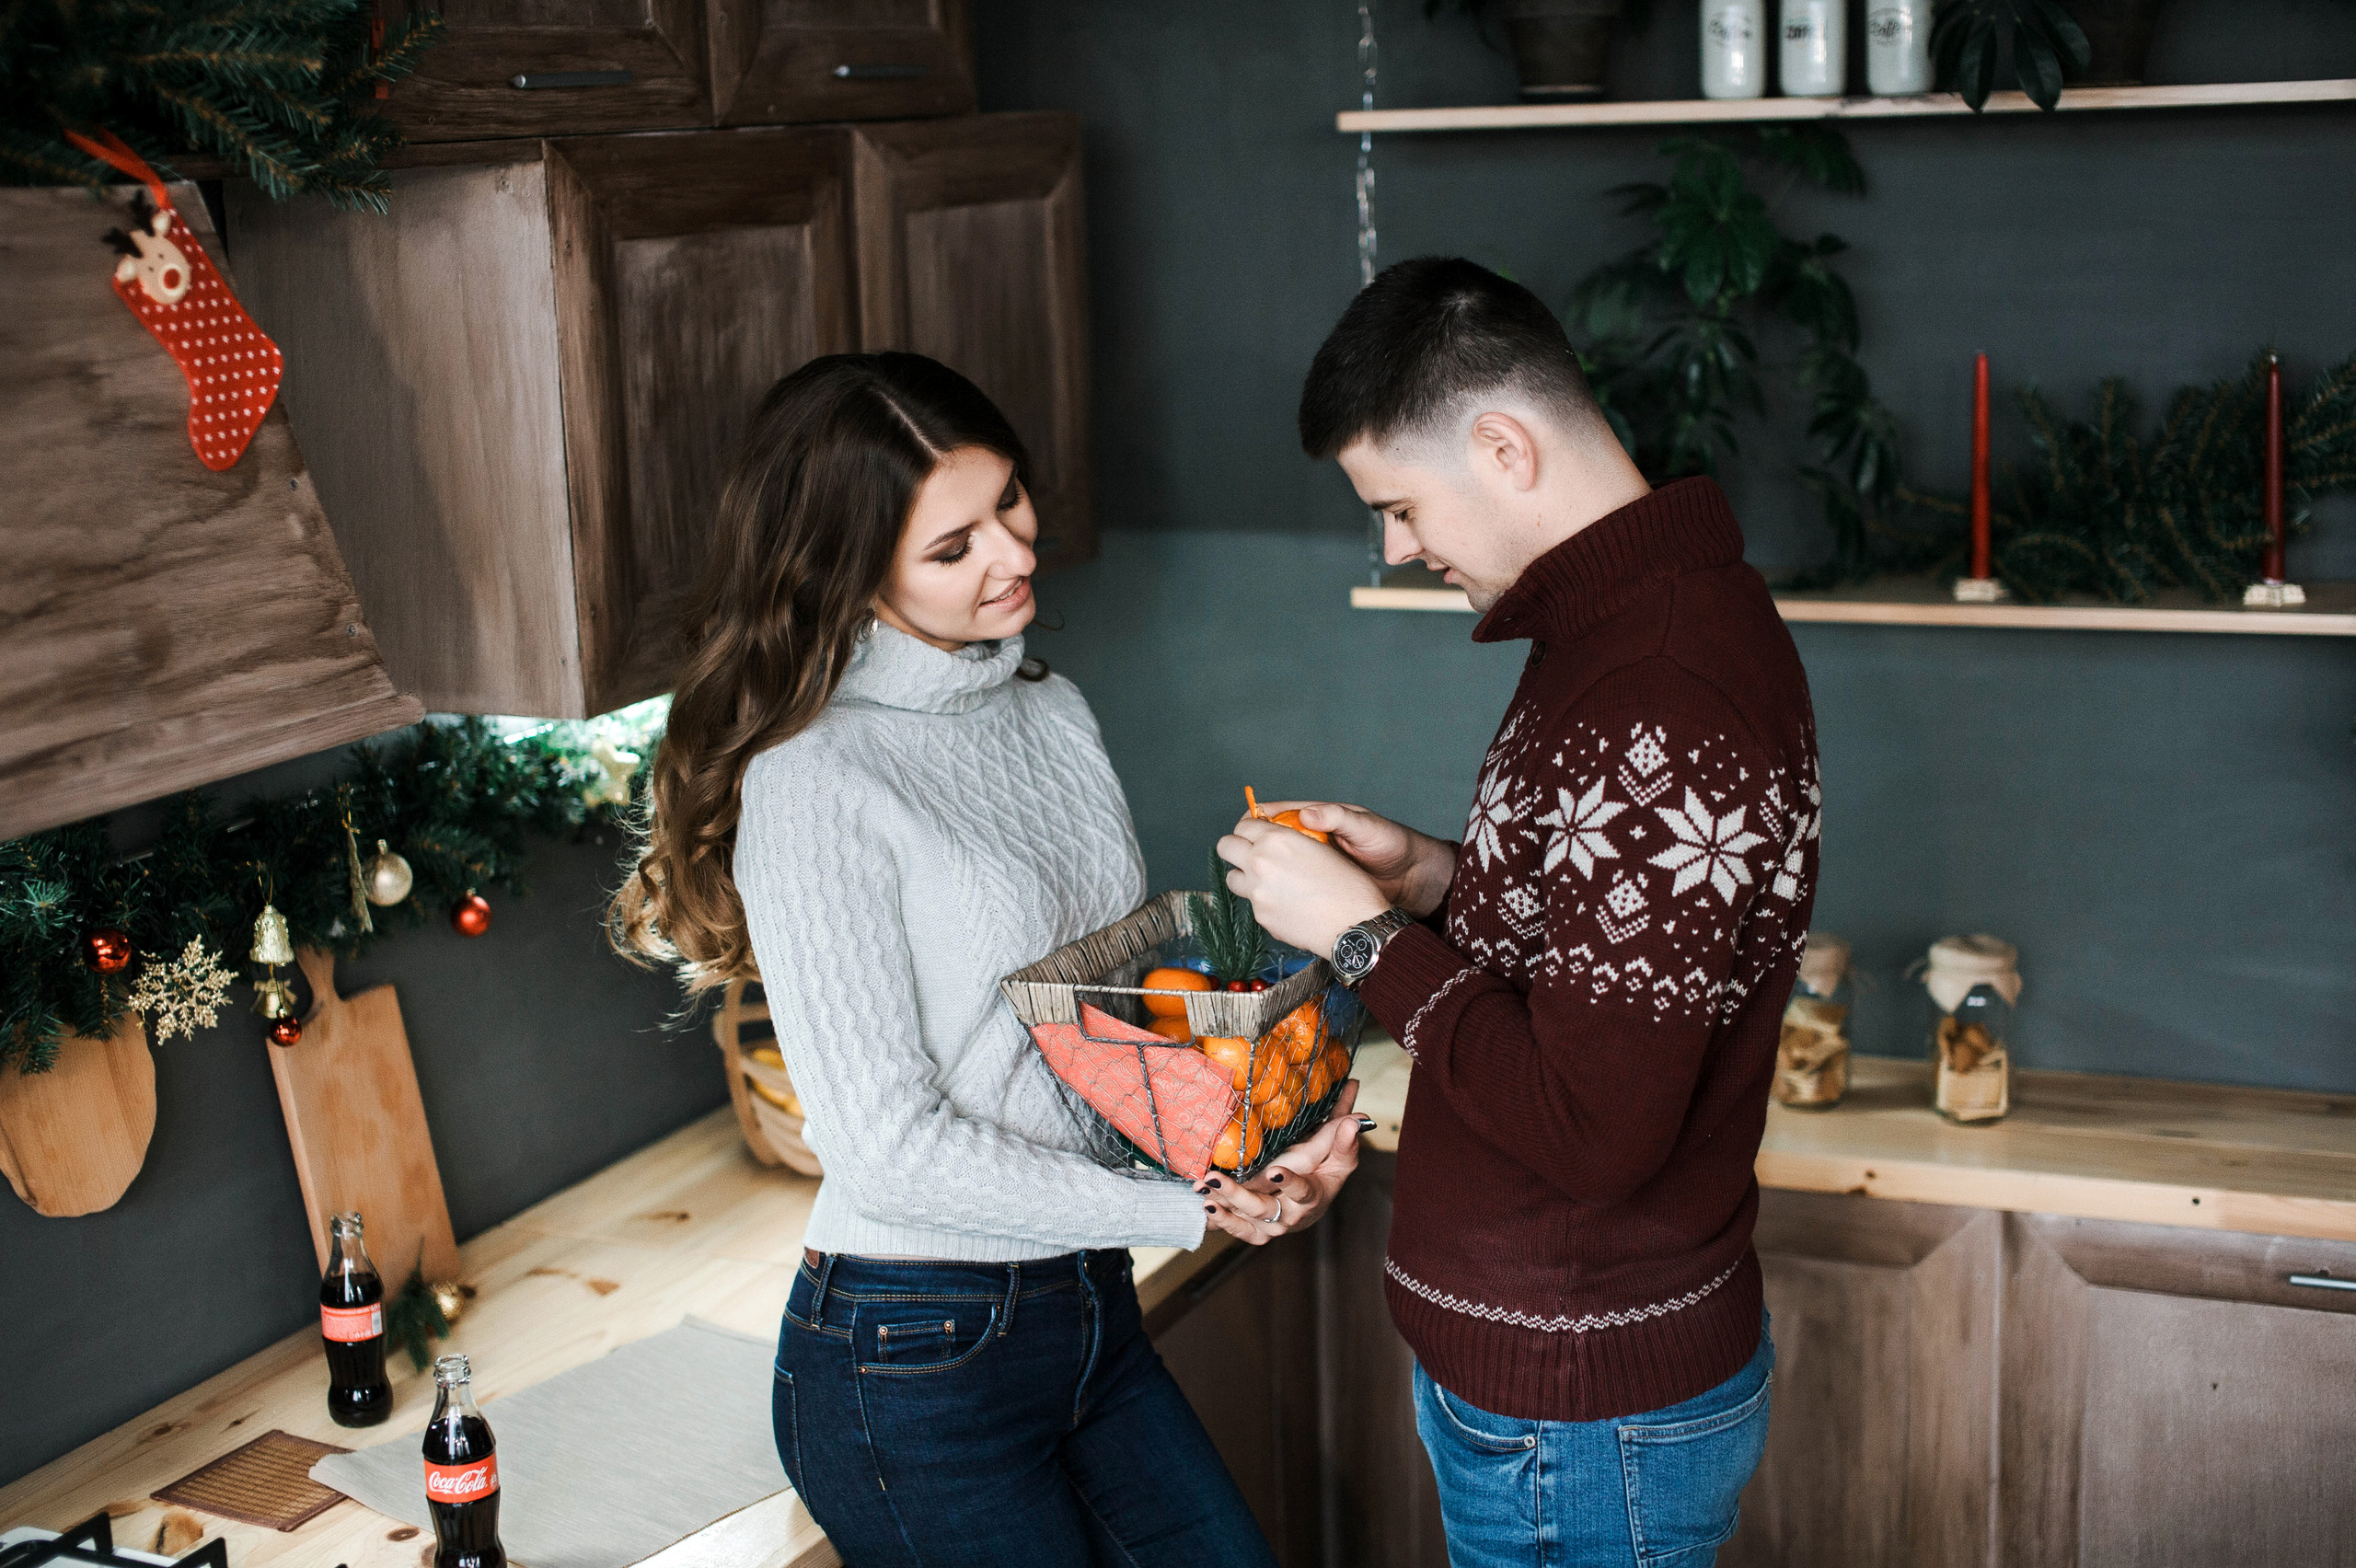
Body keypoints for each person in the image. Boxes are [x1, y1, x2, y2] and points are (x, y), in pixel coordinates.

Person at [610, 352, 1363, 1567]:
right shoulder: (813, 778)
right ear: (848, 571)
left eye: (1006, 502)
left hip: (1084, 1304)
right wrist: (1181, 1205)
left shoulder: (1048, 709)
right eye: (951, 548)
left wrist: (1272, 1133)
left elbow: (1101, 1022)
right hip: (909, 1359)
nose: (1013, 554)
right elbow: (884, 1149)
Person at [1212, 258, 1820, 1567]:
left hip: (1581, 1402)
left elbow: (1595, 1129)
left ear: (1502, 445)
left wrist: (1362, 939)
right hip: (1558, 1384)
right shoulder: (1626, 632)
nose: (1398, 545)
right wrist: (1431, 874)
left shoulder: (1658, 687)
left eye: (1399, 504)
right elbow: (1594, 933)